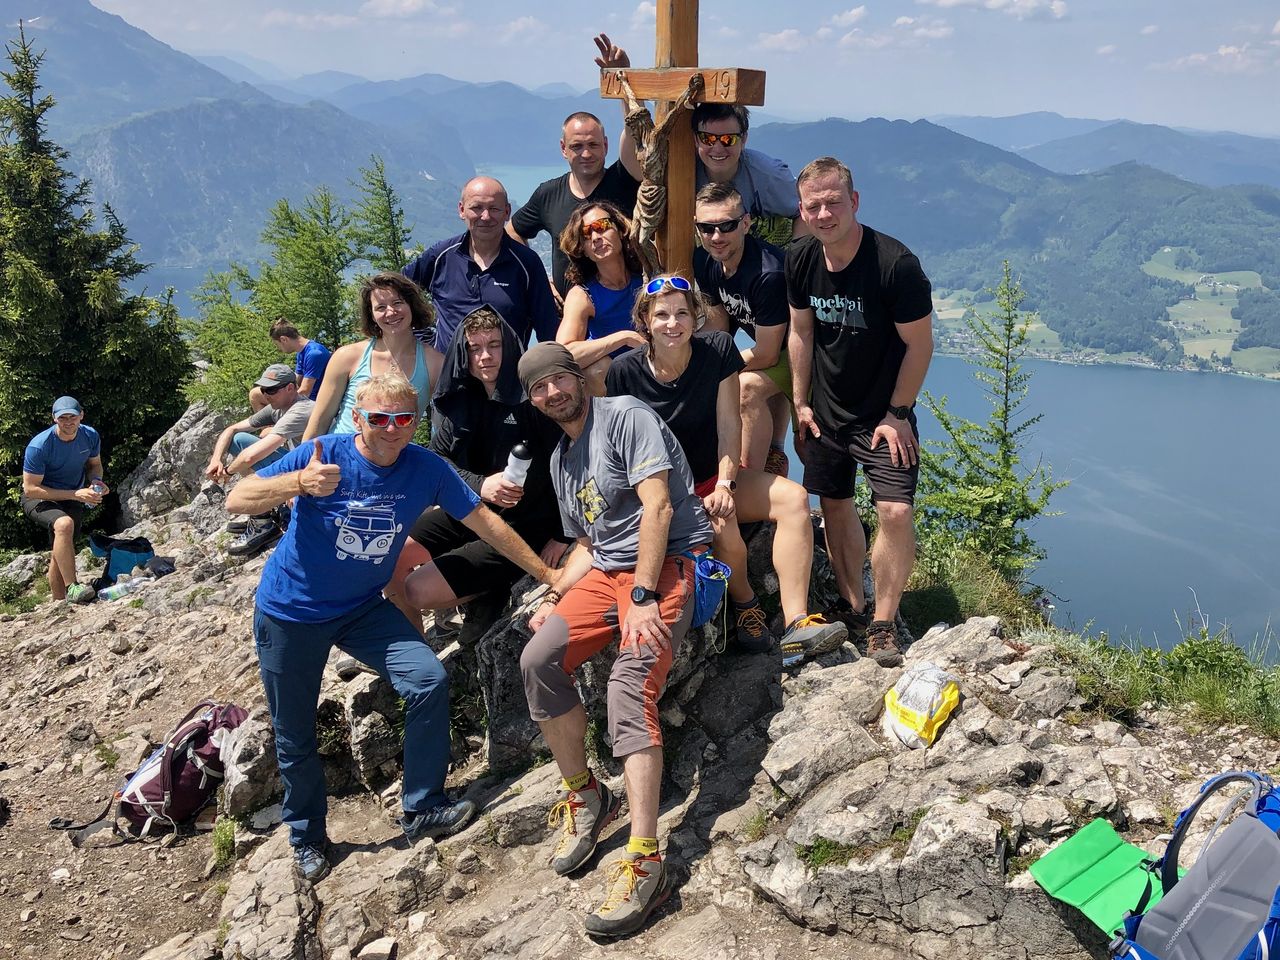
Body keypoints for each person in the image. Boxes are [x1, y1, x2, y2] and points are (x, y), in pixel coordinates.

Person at [226, 374, 563, 884]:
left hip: (361, 607)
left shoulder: (425, 466)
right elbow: (240, 497)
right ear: (358, 418)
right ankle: (307, 836)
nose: (391, 429)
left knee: (427, 678)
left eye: (403, 419)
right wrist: (297, 483)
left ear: (416, 421)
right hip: (290, 612)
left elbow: (485, 523)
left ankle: (422, 805)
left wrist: (546, 573)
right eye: (378, 418)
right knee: (294, 731)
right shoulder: (323, 452)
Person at [518, 342, 711, 938]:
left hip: (669, 561)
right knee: (537, 658)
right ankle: (586, 795)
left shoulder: (626, 415)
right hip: (606, 573)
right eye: (539, 389)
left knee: (628, 683)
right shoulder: (560, 460)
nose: (552, 393)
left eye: (558, 379)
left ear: (577, 378)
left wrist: (645, 597)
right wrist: (552, 594)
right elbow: (591, 543)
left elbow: (656, 508)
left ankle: (647, 859)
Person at [606, 275, 846, 661]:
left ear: (696, 317)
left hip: (713, 475)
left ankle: (797, 622)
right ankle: (746, 606)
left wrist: (726, 484)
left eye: (682, 313)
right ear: (645, 321)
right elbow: (620, 448)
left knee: (794, 499)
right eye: (662, 314)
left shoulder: (717, 350)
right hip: (663, 492)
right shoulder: (625, 373)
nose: (673, 323)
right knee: (723, 525)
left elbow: (728, 425)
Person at [786, 156, 935, 667]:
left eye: (833, 202)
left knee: (894, 510)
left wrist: (898, 413)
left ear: (854, 202)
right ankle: (853, 605)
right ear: (802, 211)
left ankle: (884, 624)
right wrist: (800, 403)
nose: (824, 213)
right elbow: (800, 331)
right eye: (813, 205)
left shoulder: (895, 264)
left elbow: (920, 346)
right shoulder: (801, 258)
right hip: (825, 413)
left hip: (883, 414)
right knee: (834, 505)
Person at [384, 306, 569, 635]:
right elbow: (436, 456)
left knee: (418, 589)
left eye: (494, 345)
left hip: (526, 525)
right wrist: (480, 484)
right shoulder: (462, 399)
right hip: (474, 510)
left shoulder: (533, 400)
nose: (485, 356)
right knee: (390, 552)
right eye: (475, 347)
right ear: (463, 352)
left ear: (509, 347)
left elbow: (569, 464)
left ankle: (488, 589)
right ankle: (412, 651)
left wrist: (563, 534)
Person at [591, 33, 807, 245]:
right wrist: (624, 78)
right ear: (695, 140)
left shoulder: (768, 176)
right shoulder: (679, 166)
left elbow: (806, 213)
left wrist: (787, 262)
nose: (718, 147)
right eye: (708, 138)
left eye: (728, 139)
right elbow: (637, 156)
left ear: (744, 140)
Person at [692, 182, 793, 477]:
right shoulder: (705, 261)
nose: (716, 236)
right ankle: (770, 458)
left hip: (809, 356)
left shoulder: (767, 274)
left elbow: (767, 354)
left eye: (727, 226)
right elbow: (719, 325)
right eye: (707, 228)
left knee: (746, 389)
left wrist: (714, 371)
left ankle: (749, 481)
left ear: (745, 223)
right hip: (777, 350)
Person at [404, 176, 559, 351]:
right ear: (462, 210)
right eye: (477, 208)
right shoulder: (441, 256)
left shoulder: (526, 263)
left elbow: (548, 330)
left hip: (508, 376)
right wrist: (424, 342)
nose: (485, 216)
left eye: (494, 208)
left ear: (507, 212)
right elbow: (397, 292)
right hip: (448, 375)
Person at [507, 112, 640, 304]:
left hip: (624, 308)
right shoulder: (548, 194)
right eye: (577, 146)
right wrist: (540, 280)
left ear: (606, 145)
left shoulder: (623, 181)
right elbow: (513, 232)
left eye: (593, 145)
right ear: (563, 148)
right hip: (567, 312)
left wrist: (626, 90)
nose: (586, 154)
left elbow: (632, 128)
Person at [304, 273, 443, 441]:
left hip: (394, 460)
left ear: (412, 306)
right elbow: (319, 421)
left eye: (397, 303)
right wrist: (307, 463)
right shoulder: (347, 357)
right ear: (371, 315)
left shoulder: (435, 363)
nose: (390, 312)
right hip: (338, 456)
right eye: (381, 307)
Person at [207, 363, 318, 555]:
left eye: (272, 390)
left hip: (312, 472)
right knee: (239, 439)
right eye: (264, 389)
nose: (266, 395)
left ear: (290, 388)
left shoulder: (301, 410)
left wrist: (227, 472)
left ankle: (262, 521)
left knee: (250, 450)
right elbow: (231, 429)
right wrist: (216, 459)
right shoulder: (278, 407)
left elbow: (252, 455)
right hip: (299, 465)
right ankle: (265, 514)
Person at [555, 200, 646, 396]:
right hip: (614, 388)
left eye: (602, 227)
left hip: (654, 371)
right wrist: (624, 338)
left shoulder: (648, 277)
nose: (596, 237)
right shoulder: (582, 296)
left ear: (620, 230)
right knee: (597, 367)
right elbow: (564, 355)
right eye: (586, 235)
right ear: (583, 249)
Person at [20, 396, 105, 604]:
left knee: (62, 549)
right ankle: (73, 587)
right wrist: (75, 494)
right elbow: (30, 489)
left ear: (81, 416)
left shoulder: (90, 436)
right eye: (62, 418)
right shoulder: (40, 446)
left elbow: (94, 465)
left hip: (72, 495)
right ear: (54, 419)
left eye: (72, 417)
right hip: (39, 497)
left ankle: (59, 602)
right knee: (64, 524)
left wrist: (96, 483)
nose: (68, 422)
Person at [246, 319, 330, 409]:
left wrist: (280, 400)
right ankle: (269, 421)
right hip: (303, 399)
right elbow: (296, 381)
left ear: (283, 339)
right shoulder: (301, 352)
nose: (278, 348)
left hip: (313, 403)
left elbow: (305, 391)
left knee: (261, 398)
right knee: (255, 395)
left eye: (277, 344)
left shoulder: (314, 353)